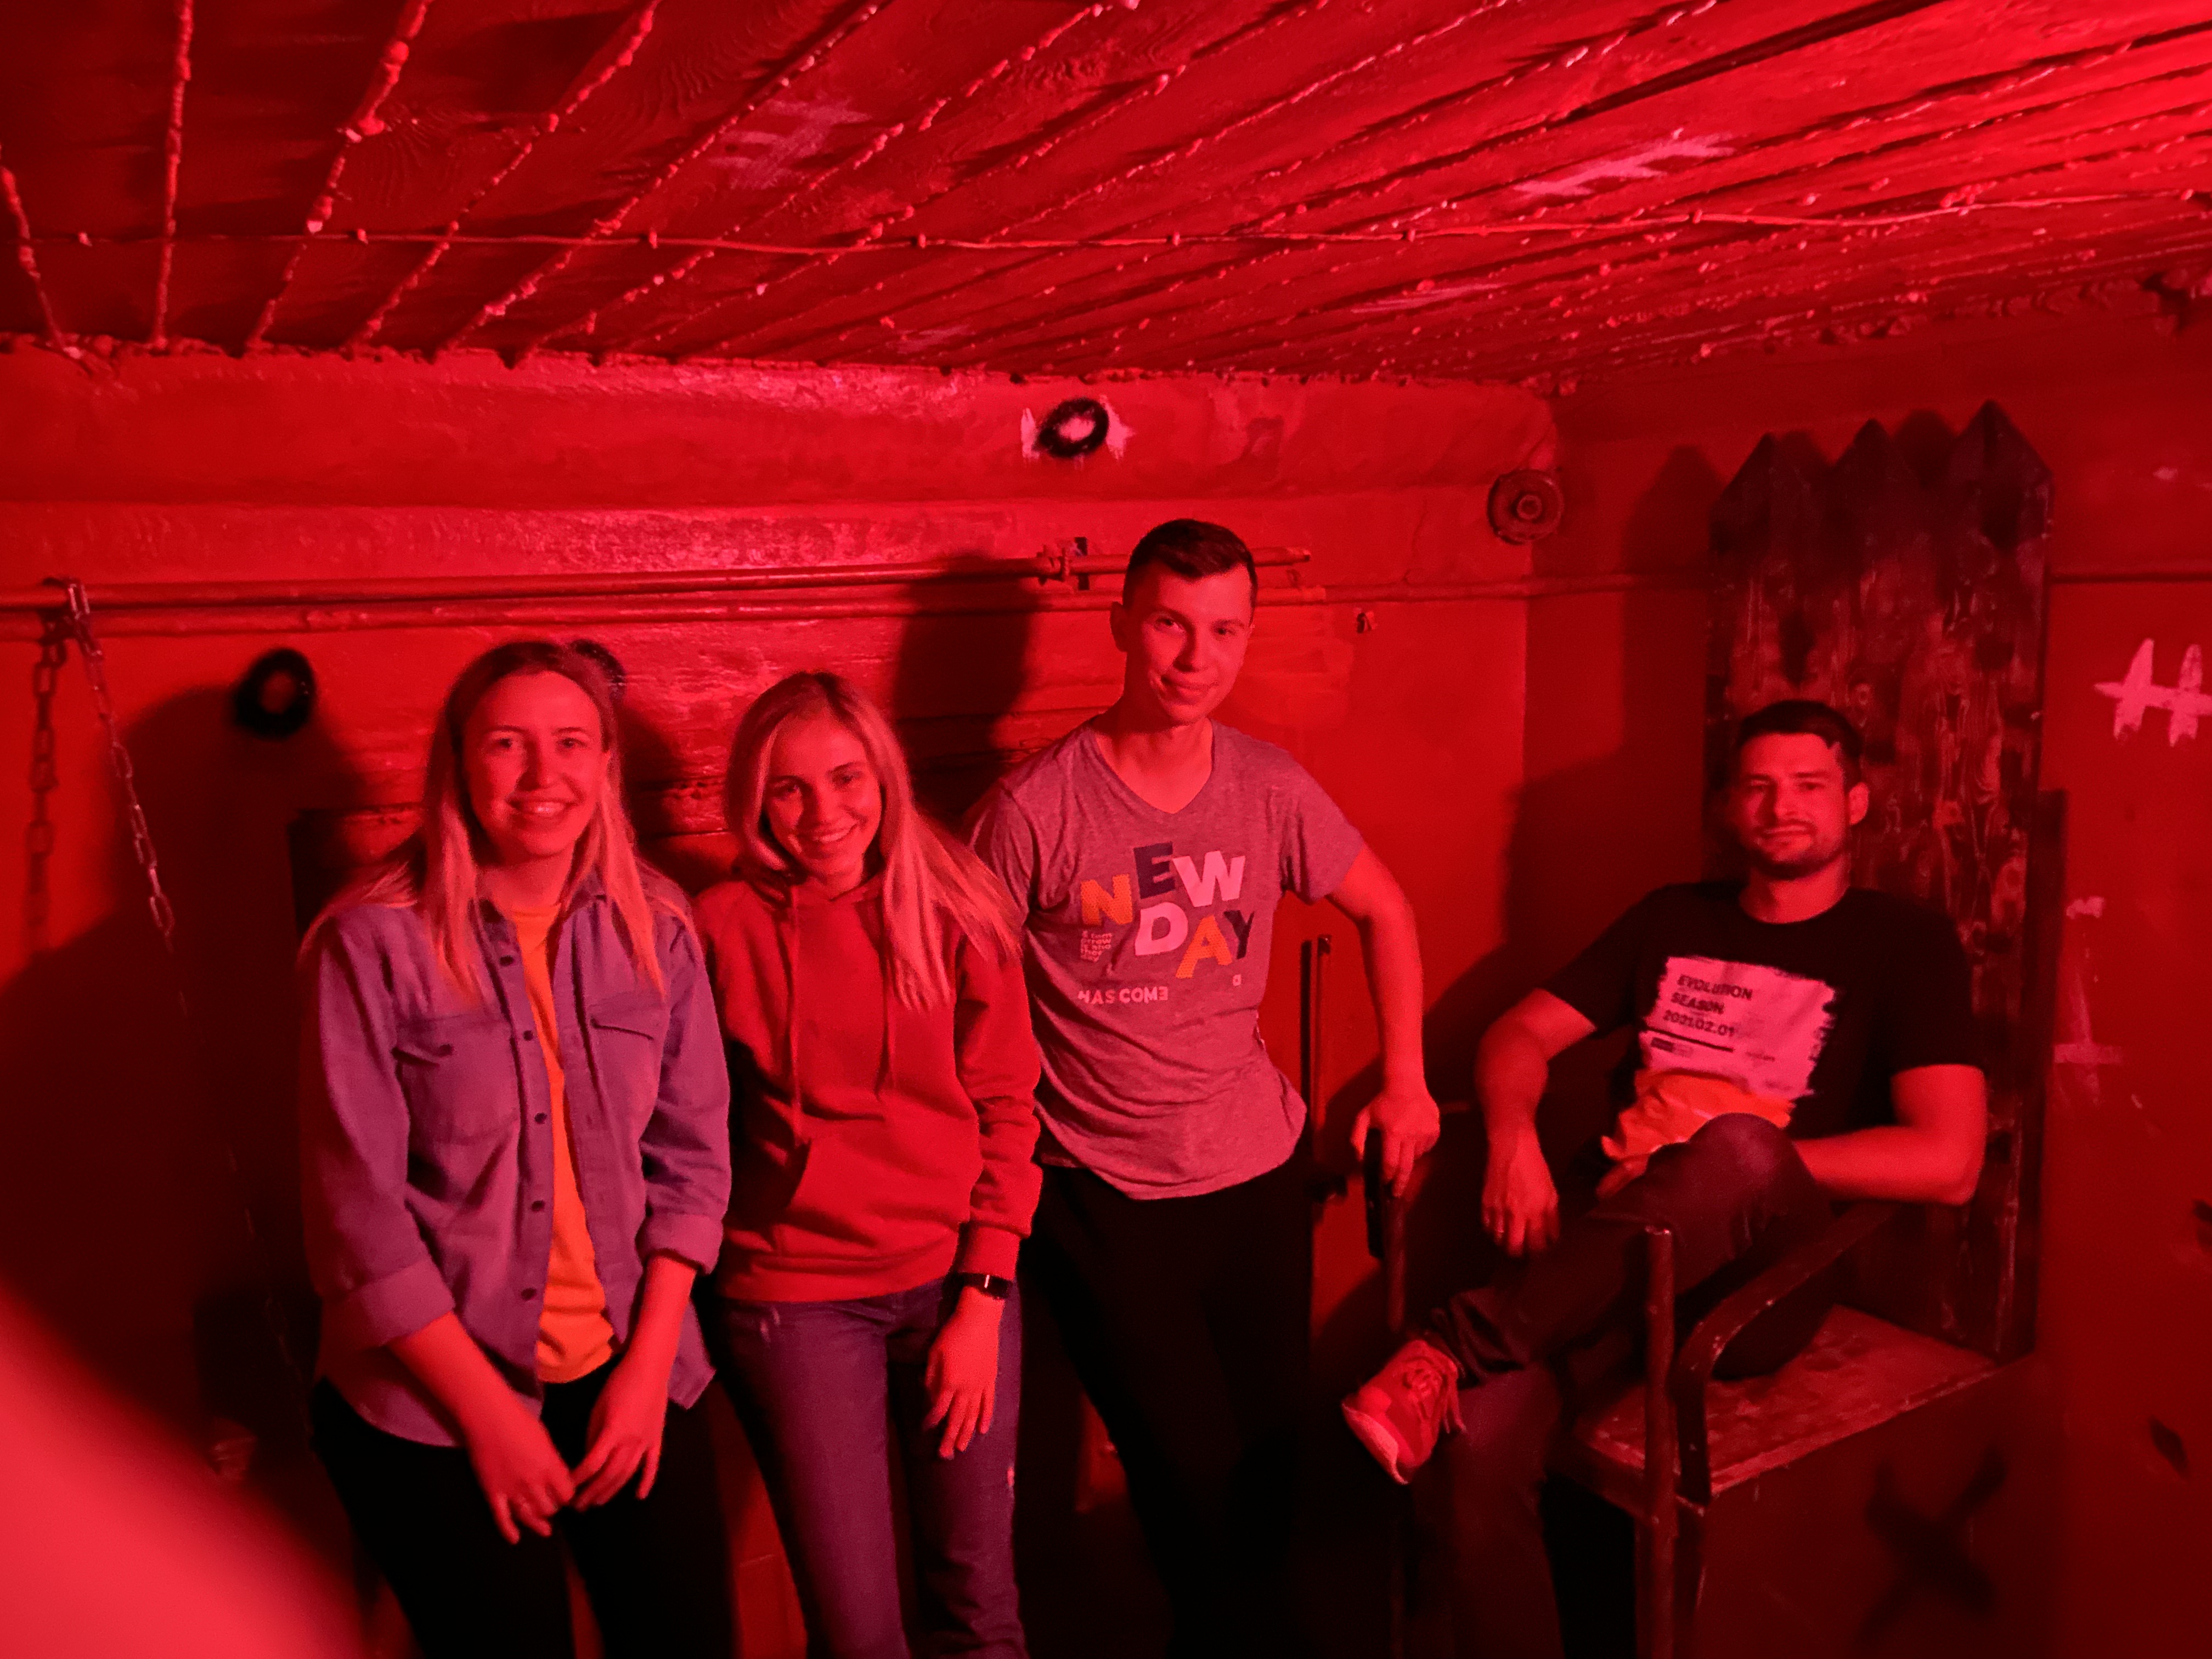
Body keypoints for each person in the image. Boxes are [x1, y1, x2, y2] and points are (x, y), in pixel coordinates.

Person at [1341, 699, 1988, 1659]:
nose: (1781, 807)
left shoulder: (1903, 942)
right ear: (1730, 805)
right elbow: (1519, 1034)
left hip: (1758, 1280)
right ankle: (1467, 1384)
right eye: (1759, 786)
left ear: (1855, 802)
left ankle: (1455, 1340)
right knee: (1478, 1448)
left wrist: (1713, 1166)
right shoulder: (1674, 918)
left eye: (1809, 786)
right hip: (1609, 1255)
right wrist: (1513, 1139)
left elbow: (1951, 1160)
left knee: (1738, 1148)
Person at [969, 518, 1442, 1657]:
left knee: (1270, 1471)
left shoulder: (1269, 786)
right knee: (1190, 1487)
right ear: (1123, 624)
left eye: (1225, 631)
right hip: (1103, 1193)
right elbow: (957, 990)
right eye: (1172, 625)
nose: (1195, 657)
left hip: (1256, 1178)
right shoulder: (1034, 809)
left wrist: (1409, 1082)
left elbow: (1386, 910)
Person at [298, 641, 732, 1659]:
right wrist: (490, 1420)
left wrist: (647, 1372)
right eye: (508, 744)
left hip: (630, 1363)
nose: (544, 775)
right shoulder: (370, 942)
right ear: (459, 761)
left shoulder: (657, 926)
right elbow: (358, 1219)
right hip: (436, 1397)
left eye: (571, 743)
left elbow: (693, 1161)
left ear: (607, 763)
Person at [697, 672, 1041, 1659]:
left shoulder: (956, 907)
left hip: (955, 1283)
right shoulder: (718, 925)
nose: (823, 812)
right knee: (857, 1631)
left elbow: (1010, 1110)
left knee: (978, 1604)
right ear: (758, 800)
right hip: (797, 1298)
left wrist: (982, 1298)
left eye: (846, 778)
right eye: (790, 787)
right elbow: (683, 1121)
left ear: (884, 778)